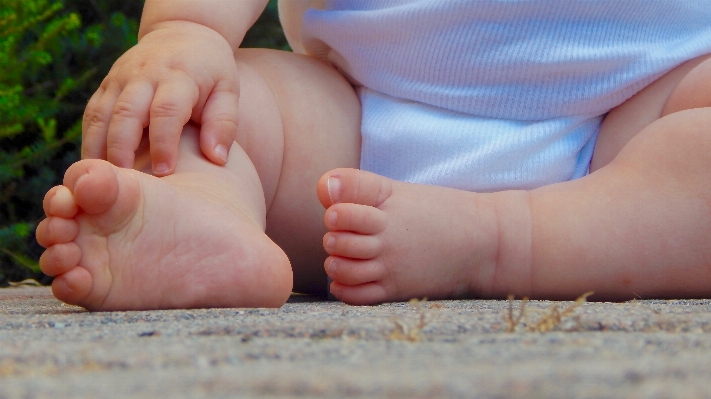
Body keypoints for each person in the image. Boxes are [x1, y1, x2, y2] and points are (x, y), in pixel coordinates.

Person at [35, 0, 711, 310]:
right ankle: (207, 215)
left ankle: (497, 239)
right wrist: (188, 28)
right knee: (212, 102)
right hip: (355, 127)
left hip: (633, 127)